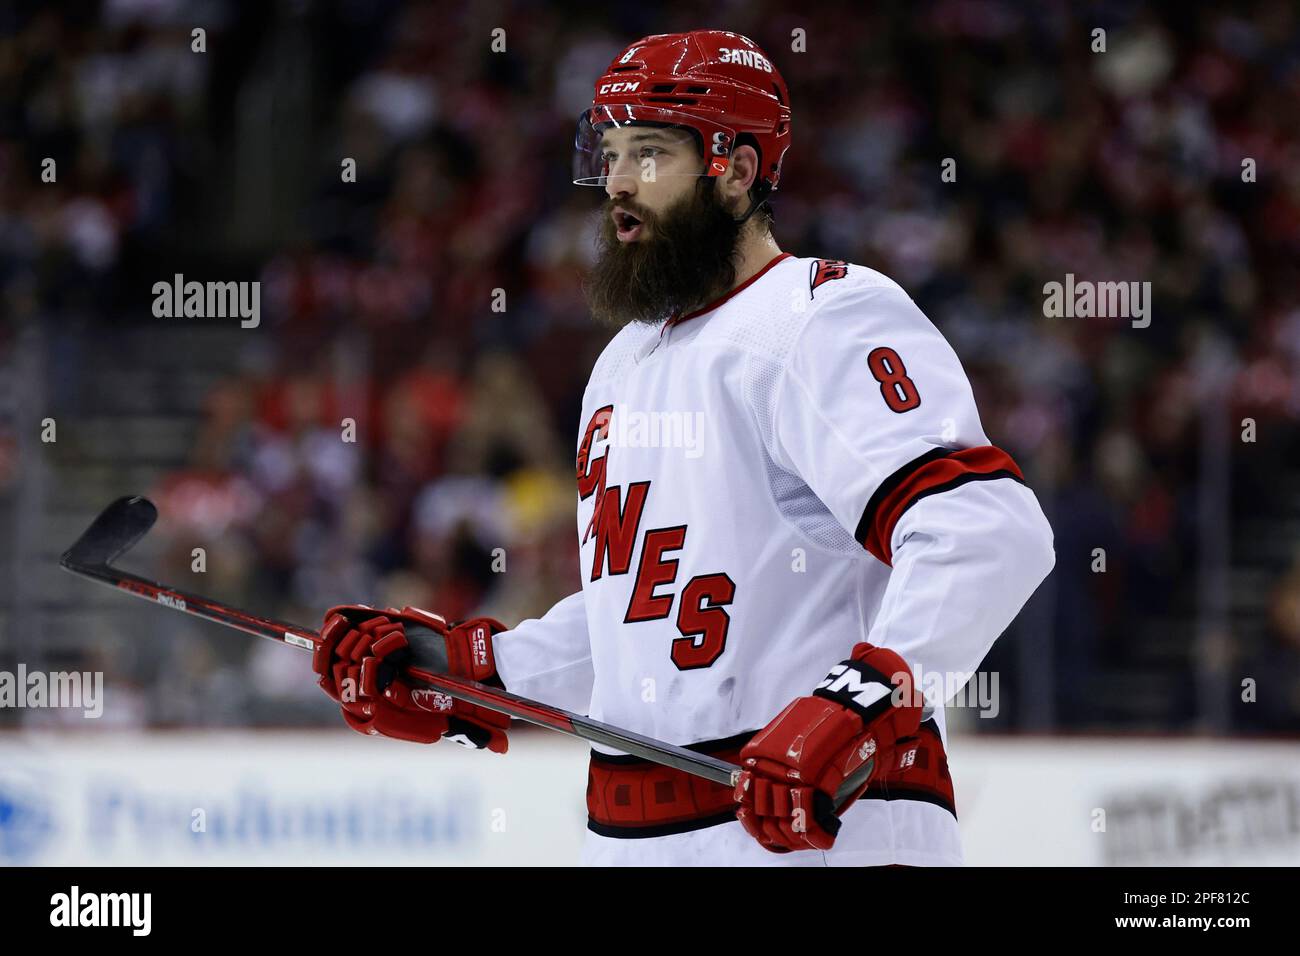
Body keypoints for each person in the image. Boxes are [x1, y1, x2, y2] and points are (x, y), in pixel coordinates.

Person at [311, 30, 1055, 866]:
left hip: (823, 836)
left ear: (736, 171)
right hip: (633, 840)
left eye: (653, 153)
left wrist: (864, 701)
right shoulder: (624, 361)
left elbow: (986, 530)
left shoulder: (818, 319)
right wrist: (476, 674)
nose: (618, 182)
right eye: (611, 152)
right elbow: (640, 611)